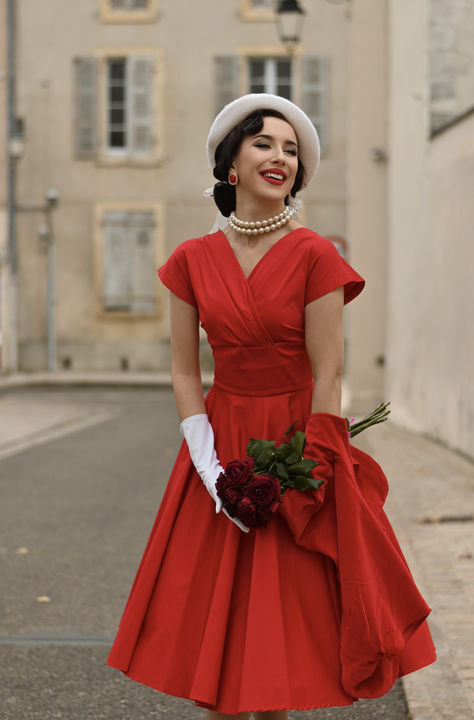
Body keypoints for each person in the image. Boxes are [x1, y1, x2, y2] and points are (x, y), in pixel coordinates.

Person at [107, 94, 436, 719]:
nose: (280, 156)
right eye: (264, 144)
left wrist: (302, 469)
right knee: (222, 627)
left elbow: (327, 371)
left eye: (291, 150)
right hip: (222, 441)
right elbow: (182, 370)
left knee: (278, 632)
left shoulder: (315, 254)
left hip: (295, 445)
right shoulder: (189, 262)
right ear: (231, 165)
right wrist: (211, 469)